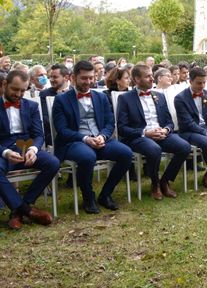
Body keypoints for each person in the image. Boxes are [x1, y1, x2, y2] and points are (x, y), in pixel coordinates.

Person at [52, 60, 133, 213]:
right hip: (74, 142)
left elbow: (110, 122)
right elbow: (62, 130)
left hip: (100, 139)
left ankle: (106, 194)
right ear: (73, 78)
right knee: (87, 157)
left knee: (126, 153)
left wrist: (103, 136)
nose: (88, 82)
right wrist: (85, 139)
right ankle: (88, 197)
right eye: (84, 78)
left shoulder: (101, 97)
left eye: (91, 78)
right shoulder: (61, 100)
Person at [116, 65, 191, 200]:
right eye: (148, 76)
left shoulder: (159, 96)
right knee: (154, 149)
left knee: (184, 147)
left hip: (161, 134)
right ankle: (155, 184)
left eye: (152, 75)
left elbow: (169, 122)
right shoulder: (125, 98)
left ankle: (165, 180)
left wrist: (165, 130)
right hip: (139, 136)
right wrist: (146, 133)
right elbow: (122, 128)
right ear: (137, 79)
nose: (152, 79)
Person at [1, 70, 59, 229]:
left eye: (22, 90)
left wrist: (33, 149)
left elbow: (39, 134)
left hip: (26, 148)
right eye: (15, 89)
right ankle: (27, 210)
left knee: (53, 163)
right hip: (4, 151)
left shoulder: (31, 106)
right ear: (5, 84)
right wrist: (5, 152)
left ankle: (19, 210)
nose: (18, 94)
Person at [39, 64, 71, 145]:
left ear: (66, 78)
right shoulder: (44, 94)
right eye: (50, 77)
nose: (51, 80)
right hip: (54, 133)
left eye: (55, 77)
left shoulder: (74, 92)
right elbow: (45, 118)